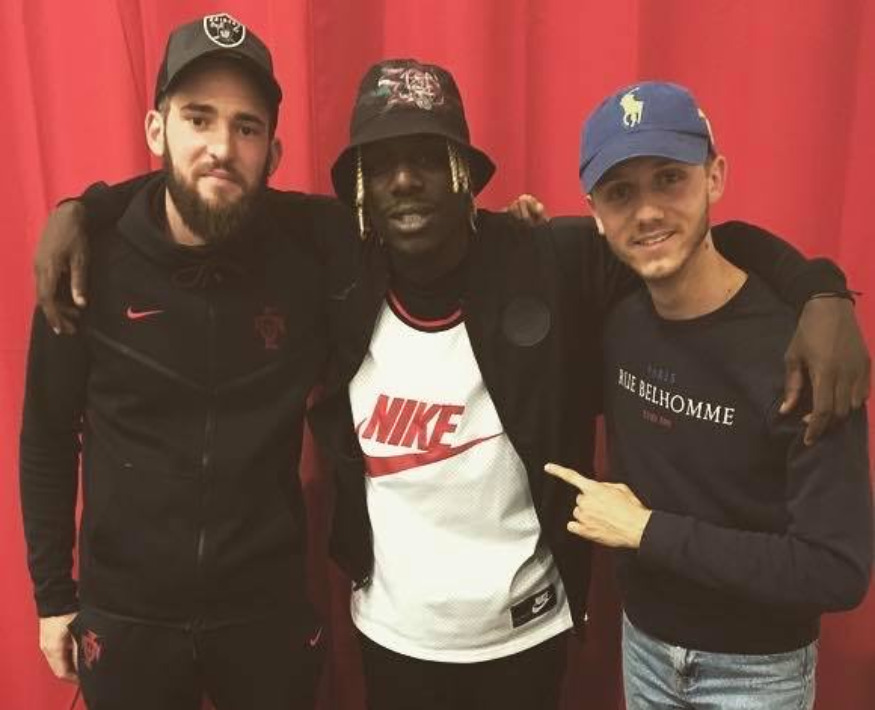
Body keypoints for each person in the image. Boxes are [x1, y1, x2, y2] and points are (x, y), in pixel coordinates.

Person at [32, 59, 869, 709]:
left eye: (428, 159)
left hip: (528, 634)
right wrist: (85, 208)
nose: (405, 181)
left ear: (465, 172)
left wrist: (821, 291)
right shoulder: (337, 262)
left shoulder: (544, 257)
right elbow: (213, 181)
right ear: (359, 190)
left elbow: (676, 236)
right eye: (382, 164)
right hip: (388, 634)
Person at [20, 14, 330, 710]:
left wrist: (521, 235)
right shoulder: (85, 265)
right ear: (156, 130)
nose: (221, 146)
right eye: (198, 118)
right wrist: (53, 596)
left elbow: (412, 224)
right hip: (125, 616)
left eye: (246, 128)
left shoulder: (308, 258)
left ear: (273, 153)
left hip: (266, 611)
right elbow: (46, 436)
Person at [546, 81, 872, 710]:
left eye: (670, 179)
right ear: (595, 212)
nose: (647, 212)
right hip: (643, 646)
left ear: (714, 177)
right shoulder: (614, 305)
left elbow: (837, 569)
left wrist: (647, 531)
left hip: (757, 671)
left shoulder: (804, 350)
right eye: (621, 193)